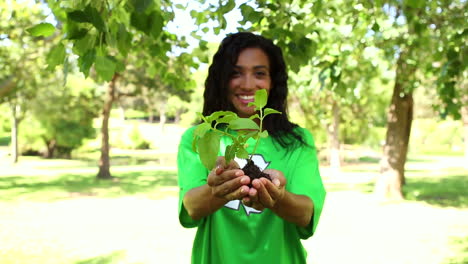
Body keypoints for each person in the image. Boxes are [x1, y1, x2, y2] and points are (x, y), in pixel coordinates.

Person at [177, 32, 326, 264]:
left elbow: (306, 214)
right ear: (221, 79)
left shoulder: (297, 140)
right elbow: (192, 208)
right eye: (235, 73)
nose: (248, 85)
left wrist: (278, 197)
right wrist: (218, 187)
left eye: (259, 73)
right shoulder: (199, 137)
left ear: (273, 81)